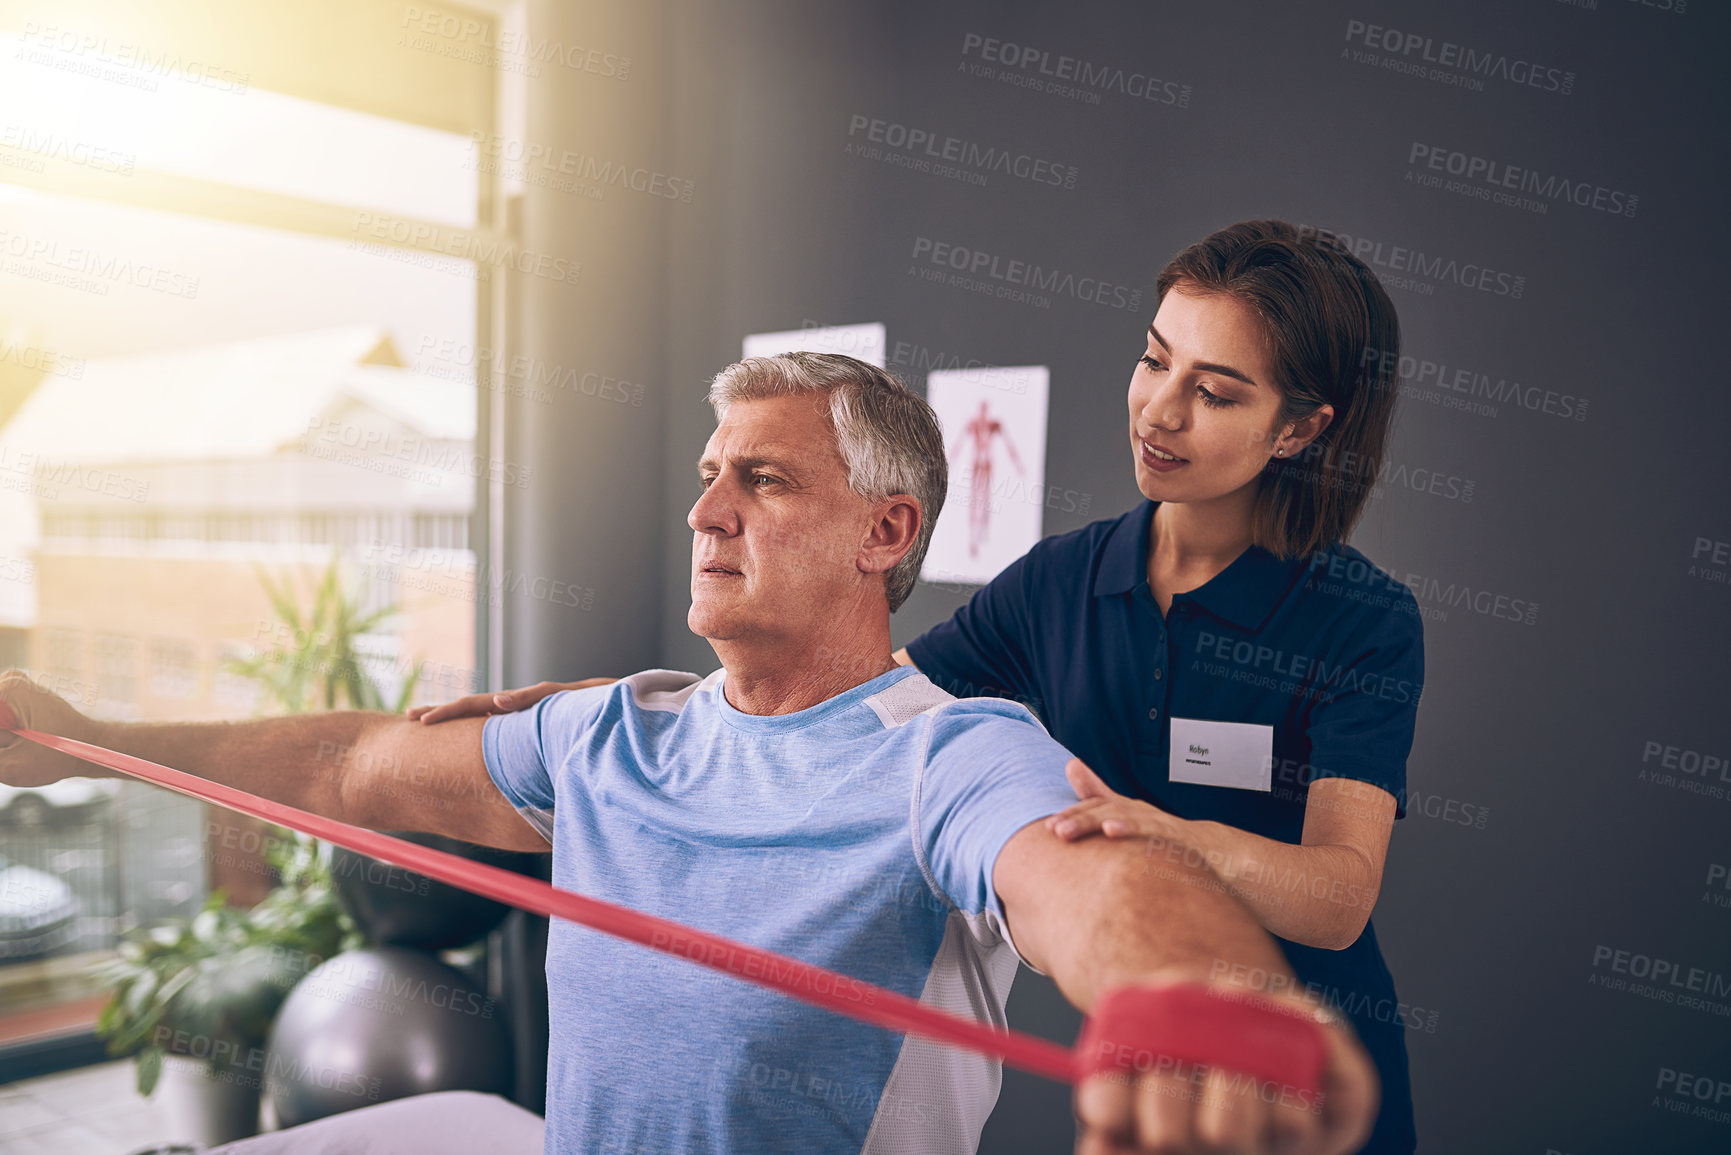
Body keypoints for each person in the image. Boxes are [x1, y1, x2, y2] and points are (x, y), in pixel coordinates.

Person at [0, 351, 1378, 1155]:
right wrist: (82, 741)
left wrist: (1199, 1001)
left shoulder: (948, 755)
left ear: (883, 533)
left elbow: (1092, 876)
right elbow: (351, 762)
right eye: (711, 473)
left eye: (763, 480)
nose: (705, 508)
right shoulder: (611, 730)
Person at [413, 220, 1425, 1153]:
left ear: (1298, 430)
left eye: (1215, 391)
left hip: (1310, 1080)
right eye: (1156, 359)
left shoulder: (1360, 618)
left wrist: (1144, 829)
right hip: (1142, 1074)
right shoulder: (1061, 579)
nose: (1159, 410)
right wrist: (587, 708)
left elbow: (1338, 896)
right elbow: (844, 698)